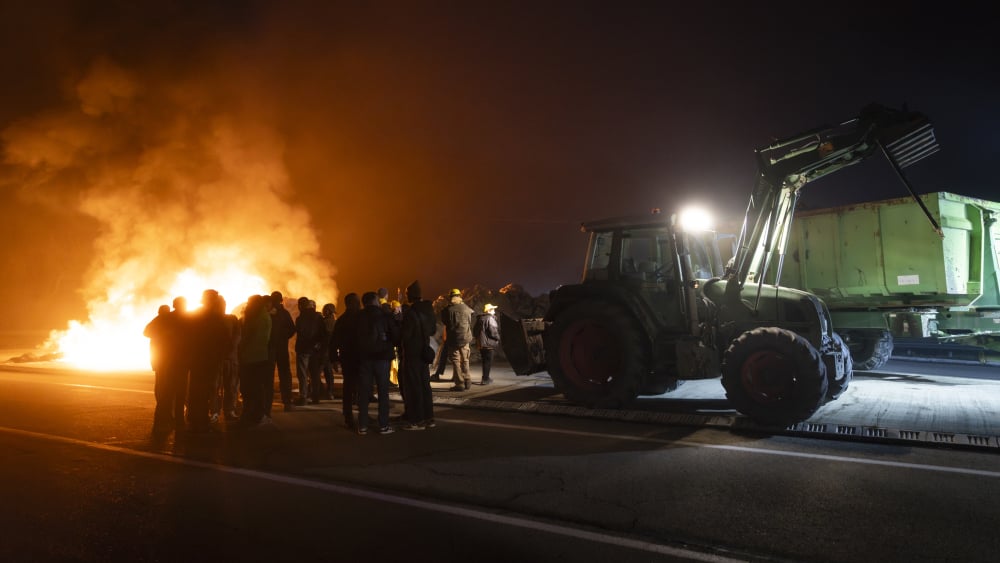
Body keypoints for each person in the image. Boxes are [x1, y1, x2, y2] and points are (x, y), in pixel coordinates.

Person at [187, 290, 230, 433]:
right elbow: (224, 339)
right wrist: (222, 355)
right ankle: (201, 421)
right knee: (204, 391)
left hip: (197, 359)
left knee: (196, 389)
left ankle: (193, 418)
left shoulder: (196, 315)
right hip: (209, 360)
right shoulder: (214, 317)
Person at [357, 291, 399, 435]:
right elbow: (395, 336)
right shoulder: (384, 315)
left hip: (364, 358)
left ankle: (362, 425)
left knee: (364, 392)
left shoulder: (358, 317)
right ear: (375, 301)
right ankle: (383, 425)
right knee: (382, 391)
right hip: (382, 357)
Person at [399, 280, 436, 429]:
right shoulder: (428, 310)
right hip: (424, 352)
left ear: (411, 295)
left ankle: (416, 420)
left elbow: (405, 335)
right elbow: (433, 330)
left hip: (412, 354)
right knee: (425, 386)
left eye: (407, 293)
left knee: (413, 387)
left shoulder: (410, 313)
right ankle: (429, 418)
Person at [238, 294, 272, 427]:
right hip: (260, 357)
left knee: (250, 388)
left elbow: (247, 337)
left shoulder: (256, 317)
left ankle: (253, 415)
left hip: (251, 358)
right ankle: (255, 414)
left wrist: (240, 349)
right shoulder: (264, 316)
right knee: (255, 388)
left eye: (249, 302)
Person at [331, 292, 362, 429]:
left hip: (347, 357)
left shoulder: (342, 320)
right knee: (359, 386)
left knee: (349, 386)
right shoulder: (361, 317)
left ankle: (348, 414)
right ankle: (360, 415)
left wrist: (334, 359)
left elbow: (334, 341)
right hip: (359, 356)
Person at [144, 304, 173, 434]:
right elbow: (146, 332)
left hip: (163, 360)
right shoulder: (161, 321)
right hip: (163, 359)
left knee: (162, 384)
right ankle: (164, 408)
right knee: (163, 385)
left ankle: (164, 406)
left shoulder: (159, 321)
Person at [441, 288, 475, 391]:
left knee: (456, 360)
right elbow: (470, 321)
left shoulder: (447, 310)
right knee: (465, 360)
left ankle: (459, 384)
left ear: (450, 297)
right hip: (465, 338)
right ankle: (467, 381)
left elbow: (445, 322)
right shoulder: (466, 308)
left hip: (453, 339)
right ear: (460, 296)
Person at [294, 297, 325, 405]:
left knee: (302, 374)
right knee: (314, 374)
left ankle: (303, 397)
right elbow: (323, 332)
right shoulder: (318, 317)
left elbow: (300, 332)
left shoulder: (300, 318)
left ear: (301, 306)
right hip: (315, 350)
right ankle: (315, 396)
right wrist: (318, 344)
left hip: (303, 349)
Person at [269, 291, 296, 412]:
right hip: (281, 349)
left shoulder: (268, 313)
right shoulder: (284, 314)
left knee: (269, 375)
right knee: (285, 375)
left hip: (271, 349)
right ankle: (287, 401)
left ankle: (268, 402)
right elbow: (292, 329)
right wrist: (284, 337)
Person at [218, 297, 242, 420]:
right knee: (215, 387)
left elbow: (238, 335)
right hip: (218, 359)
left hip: (229, 359)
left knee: (230, 386)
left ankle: (229, 410)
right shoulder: (210, 319)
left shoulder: (232, 319)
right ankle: (215, 411)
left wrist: (232, 347)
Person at [474, 303, 501, 385]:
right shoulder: (490, 318)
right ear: (489, 310)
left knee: (484, 361)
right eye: (493, 309)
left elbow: (475, 331)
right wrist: (498, 338)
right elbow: (493, 331)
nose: (494, 311)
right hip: (488, 344)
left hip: (481, 344)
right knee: (488, 361)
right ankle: (485, 379)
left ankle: (485, 377)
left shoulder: (479, 318)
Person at [319, 303, 337, 400]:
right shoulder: (334, 321)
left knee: (316, 372)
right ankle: (329, 392)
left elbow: (326, 337)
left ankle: (321, 391)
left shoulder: (326, 322)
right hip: (330, 350)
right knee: (328, 372)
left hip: (324, 350)